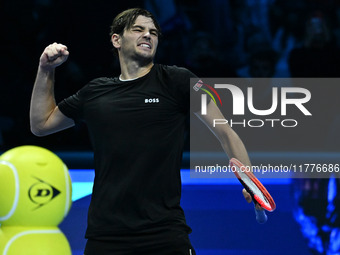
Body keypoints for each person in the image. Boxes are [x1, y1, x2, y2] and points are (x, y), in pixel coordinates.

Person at [30, 8, 254, 255]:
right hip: (105, 237)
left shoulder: (176, 80)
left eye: (154, 32)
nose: (148, 35)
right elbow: (41, 125)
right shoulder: (95, 92)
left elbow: (225, 132)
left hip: (164, 234)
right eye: (138, 29)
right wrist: (45, 69)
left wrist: (249, 182)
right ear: (116, 39)